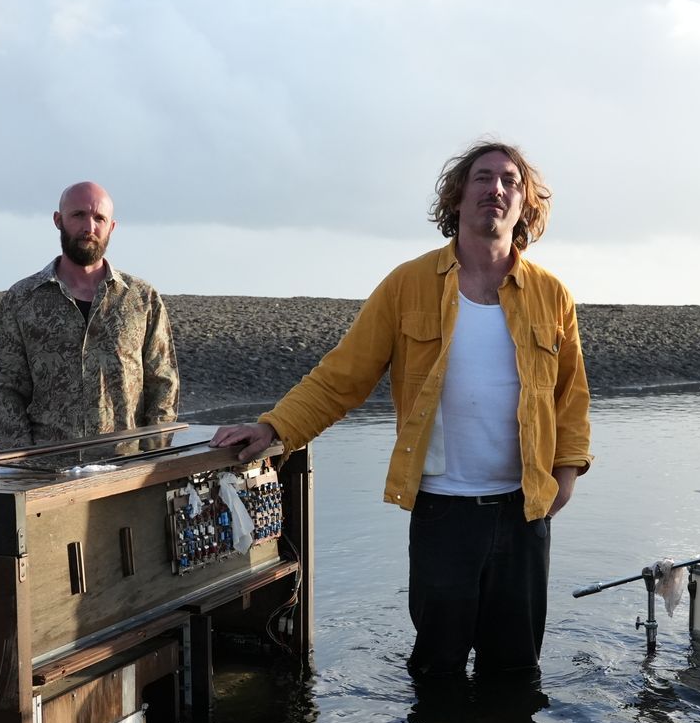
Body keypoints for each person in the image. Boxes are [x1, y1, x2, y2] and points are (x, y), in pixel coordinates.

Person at [212, 140, 592, 691]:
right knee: (436, 668)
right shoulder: (408, 284)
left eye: (511, 181)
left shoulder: (552, 295)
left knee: (514, 671)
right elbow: (342, 376)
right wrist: (275, 427)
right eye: (483, 178)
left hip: (523, 512)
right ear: (458, 198)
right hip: (442, 511)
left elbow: (571, 397)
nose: (497, 189)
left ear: (525, 204)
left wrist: (567, 474)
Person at [0, 181, 180, 450]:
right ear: (58, 220)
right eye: (78, 215)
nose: (89, 228)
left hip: (126, 469)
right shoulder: (22, 300)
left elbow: (163, 384)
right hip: (48, 473)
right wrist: (22, 463)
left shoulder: (142, 299)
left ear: (111, 227)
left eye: (99, 218)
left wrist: (151, 458)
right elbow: (6, 390)